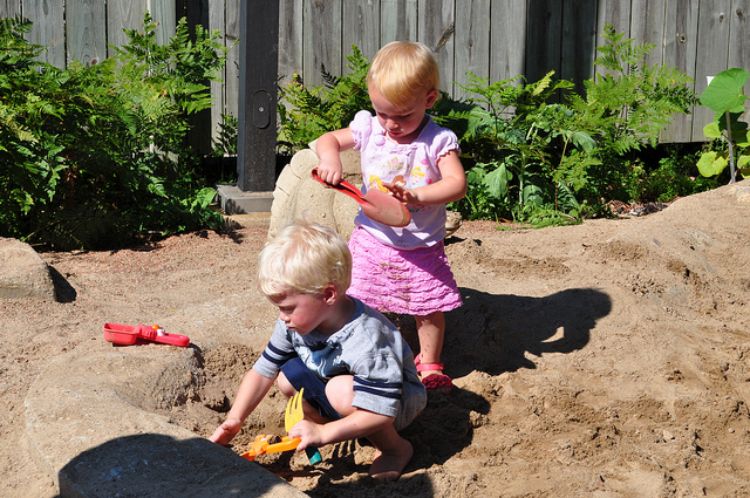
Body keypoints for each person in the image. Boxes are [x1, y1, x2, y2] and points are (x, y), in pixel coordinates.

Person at [209, 221, 427, 481]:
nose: (283, 317)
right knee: (286, 376)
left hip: (392, 404)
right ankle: (330, 423)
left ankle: (394, 448)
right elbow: (263, 371)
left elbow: (382, 410)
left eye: (289, 308)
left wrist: (324, 436)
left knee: (340, 392)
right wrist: (235, 419)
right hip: (341, 387)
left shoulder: (367, 339)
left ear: (327, 295)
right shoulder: (294, 324)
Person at [314, 41, 466, 391]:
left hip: (421, 244)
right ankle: (358, 353)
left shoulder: (436, 141)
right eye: (383, 113)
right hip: (373, 237)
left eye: (402, 116)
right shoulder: (370, 129)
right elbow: (328, 141)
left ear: (429, 100)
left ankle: (429, 364)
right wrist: (331, 159)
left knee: (428, 306)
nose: (391, 125)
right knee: (360, 298)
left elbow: (457, 184)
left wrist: (418, 196)